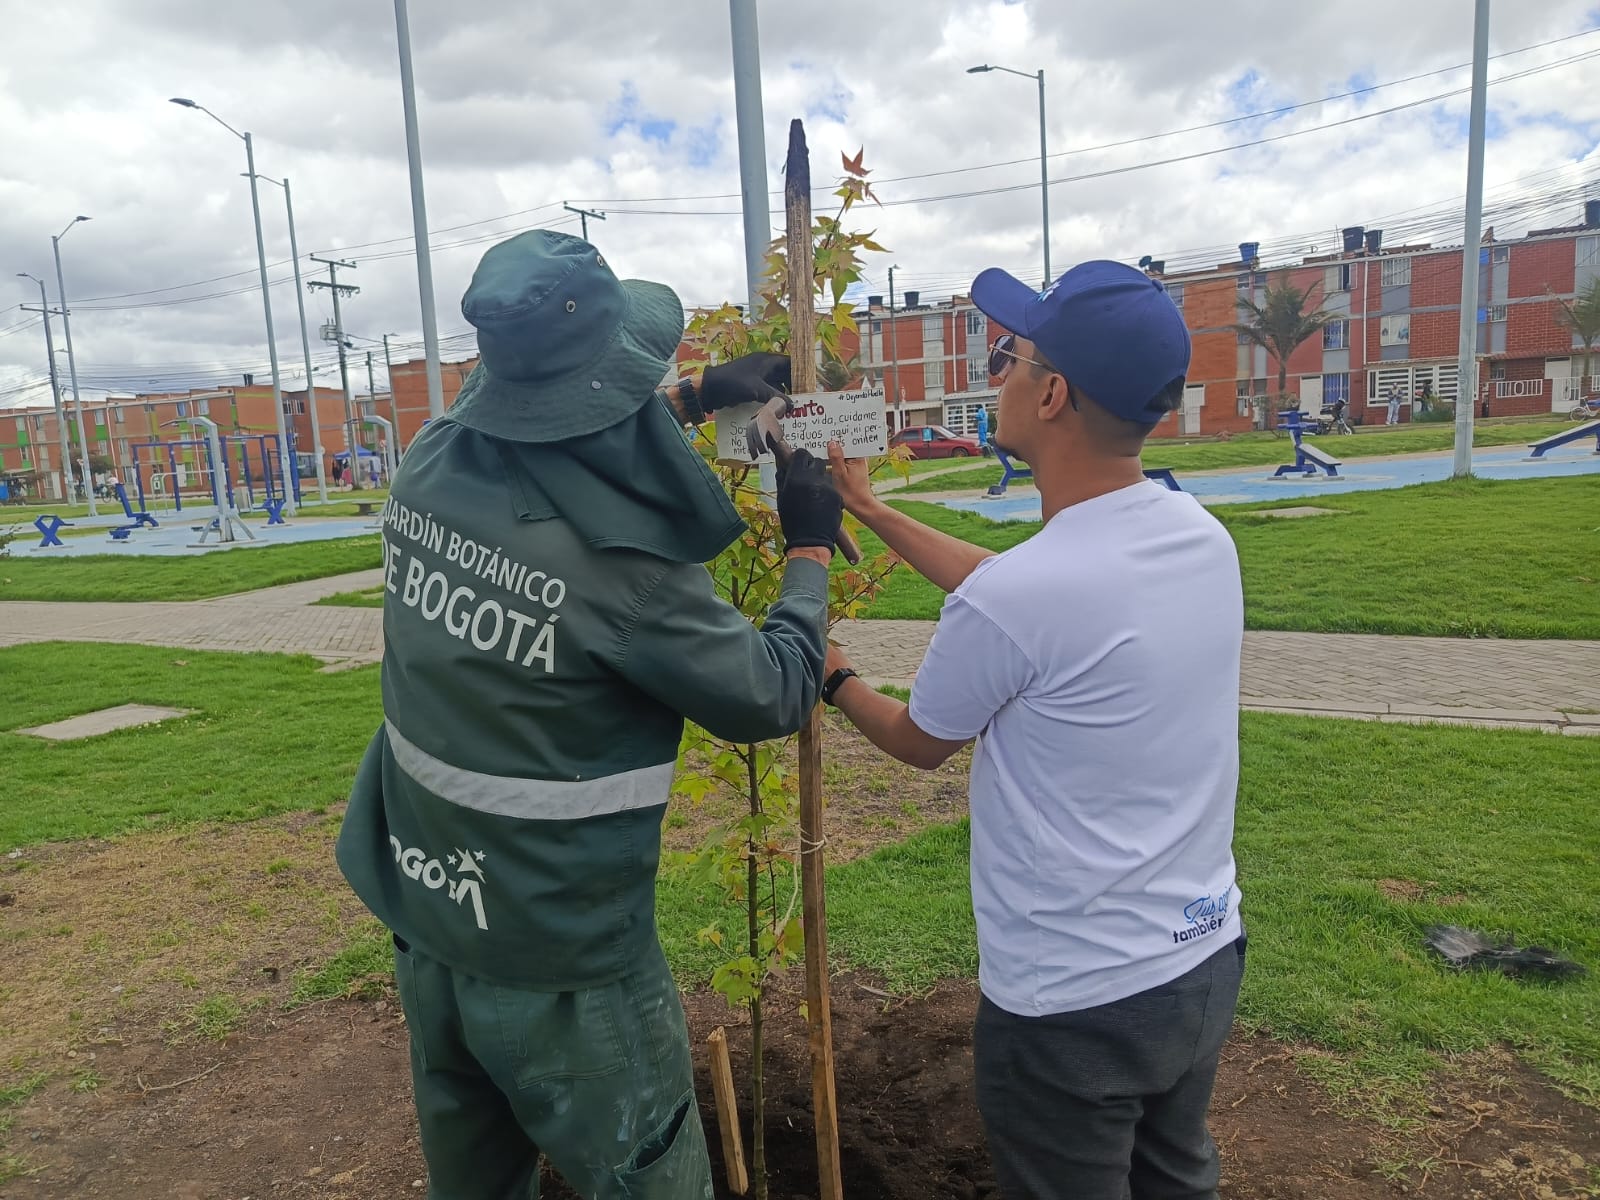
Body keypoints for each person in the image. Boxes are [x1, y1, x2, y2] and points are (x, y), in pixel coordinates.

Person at [335, 230, 844, 1200]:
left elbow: (542, 432)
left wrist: (690, 398)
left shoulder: (430, 461)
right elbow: (772, 692)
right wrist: (809, 548)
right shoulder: (626, 576)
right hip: (564, 968)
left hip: (434, 916)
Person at [821, 260, 1246, 1200]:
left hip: (1072, 1004)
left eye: (1009, 357)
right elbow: (1018, 590)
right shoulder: (1198, 537)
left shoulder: (1026, 595)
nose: (998, 374)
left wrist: (833, 675)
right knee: (1177, 1183)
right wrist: (873, 509)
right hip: (1200, 958)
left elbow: (921, 740)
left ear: (1052, 395)